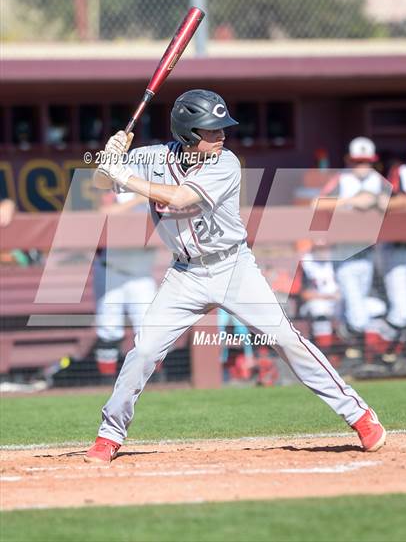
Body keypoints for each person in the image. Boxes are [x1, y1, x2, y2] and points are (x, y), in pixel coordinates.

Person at [84, 90, 386, 464]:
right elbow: (101, 183)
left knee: (285, 339)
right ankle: (109, 435)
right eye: (212, 130)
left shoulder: (225, 163)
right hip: (184, 273)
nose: (222, 135)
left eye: (222, 128)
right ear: (188, 133)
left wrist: (124, 175)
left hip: (233, 267)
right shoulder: (152, 158)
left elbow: (180, 199)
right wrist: (109, 157)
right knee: (144, 351)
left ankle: (359, 416)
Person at [316, 138, 390, 364]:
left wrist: (376, 201)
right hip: (344, 253)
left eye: (366, 162)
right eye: (358, 162)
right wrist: (352, 201)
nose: (362, 166)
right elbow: (318, 204)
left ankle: (354, 351)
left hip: (368, 254)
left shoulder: (379, 181)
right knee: (358, 313)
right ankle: (346, 339)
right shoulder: (341, 179)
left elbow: (393, 203)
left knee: (360, 306)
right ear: (349, 160)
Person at [365, 136, 406, 370]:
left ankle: (390, 355)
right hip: (395, 249)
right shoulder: (402, 172)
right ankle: (374, 352)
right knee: (400, 310)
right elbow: (386, 202)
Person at [93, 190, 157, 381]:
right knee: (109, 328)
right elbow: (103, 213)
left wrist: (151, 196)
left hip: (141, 274)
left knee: (150, 328)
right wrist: (138, 198)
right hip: (112, 270)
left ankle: (152, 379)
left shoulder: (158, 189)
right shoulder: (116, 193)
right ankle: (107, 381)